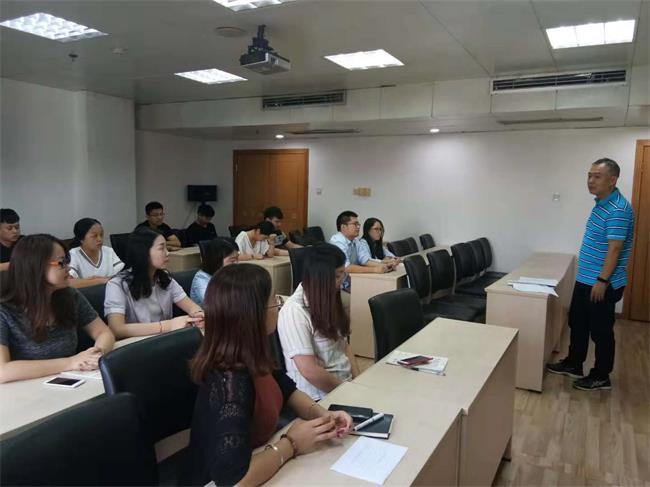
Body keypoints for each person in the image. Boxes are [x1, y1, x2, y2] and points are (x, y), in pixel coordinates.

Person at [181, 264, 353, 486]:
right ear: (253, 314)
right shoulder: (230, 380)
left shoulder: (249, 351)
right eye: (274, 301)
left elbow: (286, 389)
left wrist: (322, 415)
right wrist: (292, 444)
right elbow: (234, 480)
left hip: (260, 455)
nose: (278, 307)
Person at [547, 158, 634, 391]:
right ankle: (574, 364)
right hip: (586, 279)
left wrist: (602, 280)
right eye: (589, 175)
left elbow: (615, 249)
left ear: (612, 180)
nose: (590, 180)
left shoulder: (618, 209)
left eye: (597, 176)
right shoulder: (602, 204)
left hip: (601, 282)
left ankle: (601, 376)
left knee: (600, 330)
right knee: (578, 322)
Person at [0, 234, 115, 383]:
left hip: (70, 381)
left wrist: (97, 353)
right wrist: (71, 362)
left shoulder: (70, 295)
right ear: (36, 267)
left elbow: (103, 332)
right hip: (24, 390)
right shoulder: (4, 310)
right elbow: (2, 371)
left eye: (67, 261)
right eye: (62, 263)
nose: (68, 268)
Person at [278, 244, 360, 400]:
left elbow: (345, 346)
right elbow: (310, 371)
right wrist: (348, 392)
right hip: (318, 397)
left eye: (343, 274)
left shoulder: (326, 298)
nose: (342, 281)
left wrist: (358, 382)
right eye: (337, 276)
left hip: (343, 386)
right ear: (320, 278)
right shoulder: (294, 311)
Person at [104, 227, 203, 338]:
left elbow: (191, 307)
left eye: (166, 248)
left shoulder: (165, 278)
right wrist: (168, 325)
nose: (167, 253)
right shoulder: (117, 285)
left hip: (164, 339)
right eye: (161, 248)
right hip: (136, 344)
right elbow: (117, 329)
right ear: (143, 252)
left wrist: (198, 315)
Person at [329, 211, 394, 292]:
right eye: (355, 224)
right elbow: (346, 267)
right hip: (339, 287)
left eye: (358, 224)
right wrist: (375, 269)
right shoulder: (337, 242)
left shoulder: (355, 240)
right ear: (343, 227)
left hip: (353, 282)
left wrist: (386, 265)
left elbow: (365, 260)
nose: (358, 227)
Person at [68, 218, 125, 288]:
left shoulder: (109, 251)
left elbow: (124, 275)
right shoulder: (73, 254)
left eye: (101, 235)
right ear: (81, 239)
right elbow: (69, 282)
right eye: (94, 236)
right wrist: (100, 281)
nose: (99, 239)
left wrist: (104, 279)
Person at [190, 237, 239, 306]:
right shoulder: (201, 279)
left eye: (237, 259)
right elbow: (216, 305)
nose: (236, 263)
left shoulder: (228, 273)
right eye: (232, 260)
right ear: (217, 260)